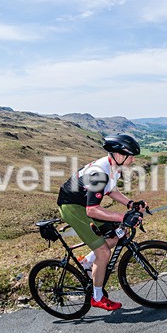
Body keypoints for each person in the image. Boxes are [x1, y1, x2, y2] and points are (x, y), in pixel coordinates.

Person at [56, 133, 147, 311]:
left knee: (118, 233)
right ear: (119, 155)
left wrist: (131, 204)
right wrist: (123, 216)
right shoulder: (99, 173)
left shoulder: (112, 167)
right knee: (104, 253)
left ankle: (87, 262)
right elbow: (92, 210)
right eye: (131, 156)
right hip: (73, 207)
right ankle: (97, 297)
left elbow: (111, 191)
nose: (133, 159)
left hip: (84, 205)